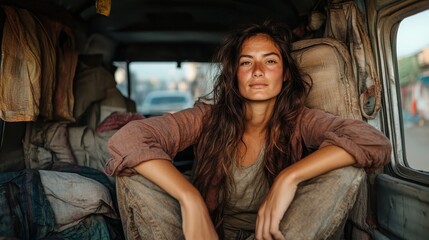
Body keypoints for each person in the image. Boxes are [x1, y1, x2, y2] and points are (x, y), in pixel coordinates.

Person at [104, 20, 391, 240]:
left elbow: (372, 141)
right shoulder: (207, 118)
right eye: (246, 62)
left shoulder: (301, 120)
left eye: (269, 61)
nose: (257, 71)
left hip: (279, 233)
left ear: (285, 73)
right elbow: (128, 138)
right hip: (207, 234)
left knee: (345, 167)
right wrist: (189, 198)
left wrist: (289, 178)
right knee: (131, 170)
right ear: (235, 74)